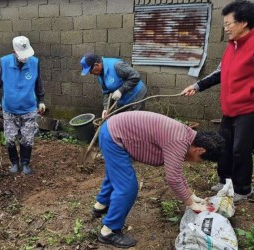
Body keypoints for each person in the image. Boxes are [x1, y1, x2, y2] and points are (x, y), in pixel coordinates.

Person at [93, 111, 225, 248]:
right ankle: (108, 231)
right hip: (113, 136)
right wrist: (192, 204)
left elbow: (177, 172)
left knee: (115, 175)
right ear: (200, 151)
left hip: (112, 129)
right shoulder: (178, 141)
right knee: (127, 187)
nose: (196, 162)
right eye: (200, 161)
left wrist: (192, 195)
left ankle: (100, 206)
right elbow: (173, 178)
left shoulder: (186, 136)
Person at [182, 0, 254, 202]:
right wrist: (196, 86)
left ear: (243, 22)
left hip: (248, 109)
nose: (226, 28)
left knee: (241, 150)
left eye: (228, 24)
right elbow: (220, 73)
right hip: (229, 108)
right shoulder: (232, 46)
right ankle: (225, 180)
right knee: (224, 145)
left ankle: (242, 188)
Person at [0, 36, 45, 175]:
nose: (25, 58)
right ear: (14, 52)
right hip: (9, 110)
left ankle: (25, 163)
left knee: (28, 138)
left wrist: (41, 101)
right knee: (10, 138)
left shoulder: (34, 62)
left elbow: (39, 84)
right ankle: (14, 162)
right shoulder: (4, 63)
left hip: (29, 109)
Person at [80, 53, 147, 119]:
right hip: (123, 99)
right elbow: (106, 91)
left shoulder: (117, 65)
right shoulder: (100, 74)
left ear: (96, 65)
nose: (90, 73)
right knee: (121, 120)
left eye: (90, 70)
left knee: (133, 120)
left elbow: (135, 76)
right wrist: (106, 108)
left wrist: (121, 90)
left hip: (137, 95)